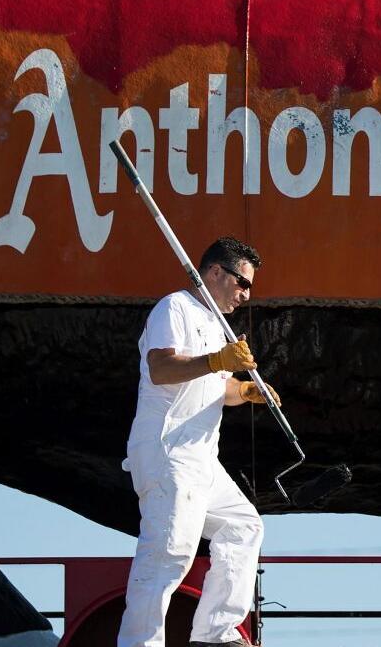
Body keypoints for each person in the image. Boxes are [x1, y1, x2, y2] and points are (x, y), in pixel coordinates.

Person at [117, 236, 278, 647]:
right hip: (168, 450)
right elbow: (161, 368)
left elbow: (214, 388)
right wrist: (218, 361)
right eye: (242, 282)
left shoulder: (217, 326)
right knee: (169, 552)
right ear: (213, 272)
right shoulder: (175, 308)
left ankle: (216, 636)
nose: (246, 294)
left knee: (243, 526)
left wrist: (245, 392)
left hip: (203, 457)